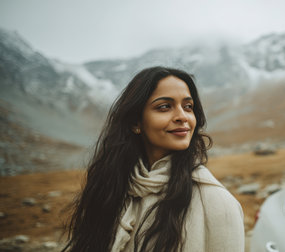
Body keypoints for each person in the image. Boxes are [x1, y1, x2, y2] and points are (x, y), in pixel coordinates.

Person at [63, 66, 245, 252]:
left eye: (188, 107)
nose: (182, 116)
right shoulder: (112, 190)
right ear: (136, 123)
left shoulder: (218, 204)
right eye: (164, 107)